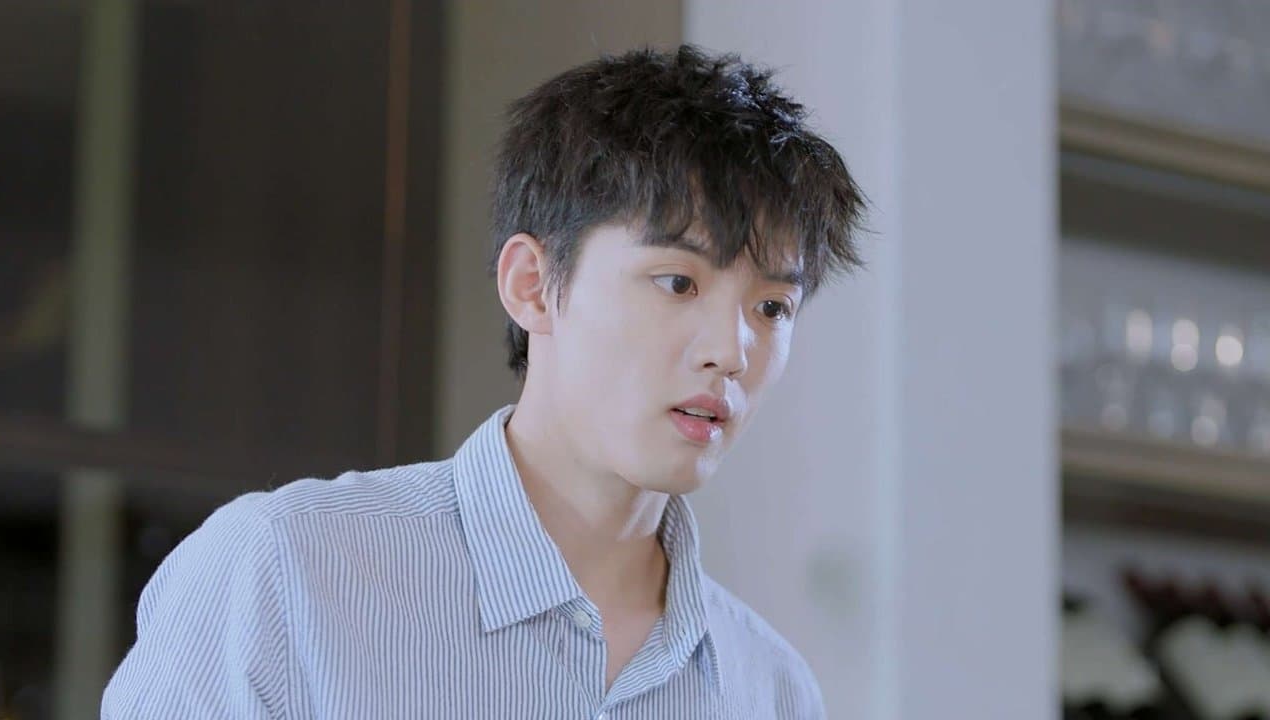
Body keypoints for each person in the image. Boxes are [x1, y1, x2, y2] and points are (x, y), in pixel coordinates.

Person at [102, 44, 865, 719]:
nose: (731, 351)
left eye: (772, 307)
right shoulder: (287, 576)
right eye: (678, 283)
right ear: (532, 284)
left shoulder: (773, 692)